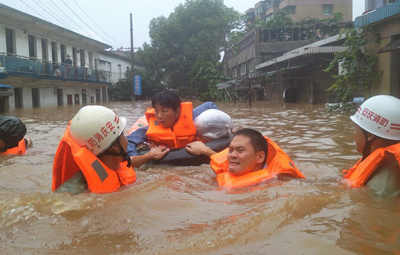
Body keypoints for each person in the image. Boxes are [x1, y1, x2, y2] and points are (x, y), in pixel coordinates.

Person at [52, 105, 136, 194]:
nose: (126, 138)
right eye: (122, 134)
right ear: (115, 146)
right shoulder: (76, 189)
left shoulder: (117, 165)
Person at [185, 128, 305, 188]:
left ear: (260, 157)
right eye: (230, 150)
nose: (232, 155)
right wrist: (205, 151)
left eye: (240, 150)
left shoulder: (279, 182)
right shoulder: (221, 174)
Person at [127, 91, 219, 168]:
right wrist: (143, 156)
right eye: (156, 110)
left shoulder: (191, 117)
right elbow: (129, 140)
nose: (159, 116)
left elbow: (210, 105)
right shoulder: (148, 129)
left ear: (177, 112)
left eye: (164, 111)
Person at [342, 95, 400, 197]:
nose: (353, 133)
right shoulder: (390, 165)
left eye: (356, 128)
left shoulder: (380, 188)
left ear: (369, 135)